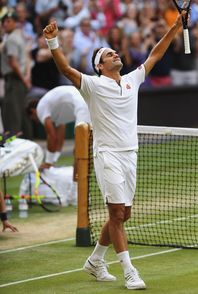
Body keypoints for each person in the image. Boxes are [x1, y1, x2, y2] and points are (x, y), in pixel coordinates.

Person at [43, 10, 185, 290]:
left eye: (115, 52)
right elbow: (66, 70)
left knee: (123, 214)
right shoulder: (92, 86)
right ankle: (130, 271)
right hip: (107, 155)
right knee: (117, 214)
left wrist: (175, 27)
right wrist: (53, 42)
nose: (115, 54)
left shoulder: (133, 80)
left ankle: (95, 261)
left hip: (131, 153)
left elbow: (155, 54)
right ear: (99, 65)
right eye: (109, 54)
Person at [26, 85, 90, 170]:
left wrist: (48, 162)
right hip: (88, 100)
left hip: (83, 105)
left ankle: (77, 181)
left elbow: (52, 136)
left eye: (33, 119)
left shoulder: (40, 109)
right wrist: (53, 160)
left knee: (79, 149)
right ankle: (79, 179)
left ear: (33, 111)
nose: (36, 121)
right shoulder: (56, 111)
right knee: (81, 149)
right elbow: (60, 138)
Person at [0, 10, 33, 139]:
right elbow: (27, 58)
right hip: (21, 79)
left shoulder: (11, 40)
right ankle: (28, 144)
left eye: (8, 21)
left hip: (14, 80)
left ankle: (15, 147)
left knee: (12, 117)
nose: (5, 24)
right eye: (3, 22)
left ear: (15, 22)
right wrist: (27, 77)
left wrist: (23, 79)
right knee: (22, 114)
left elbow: (13, 63)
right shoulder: (19, 37)